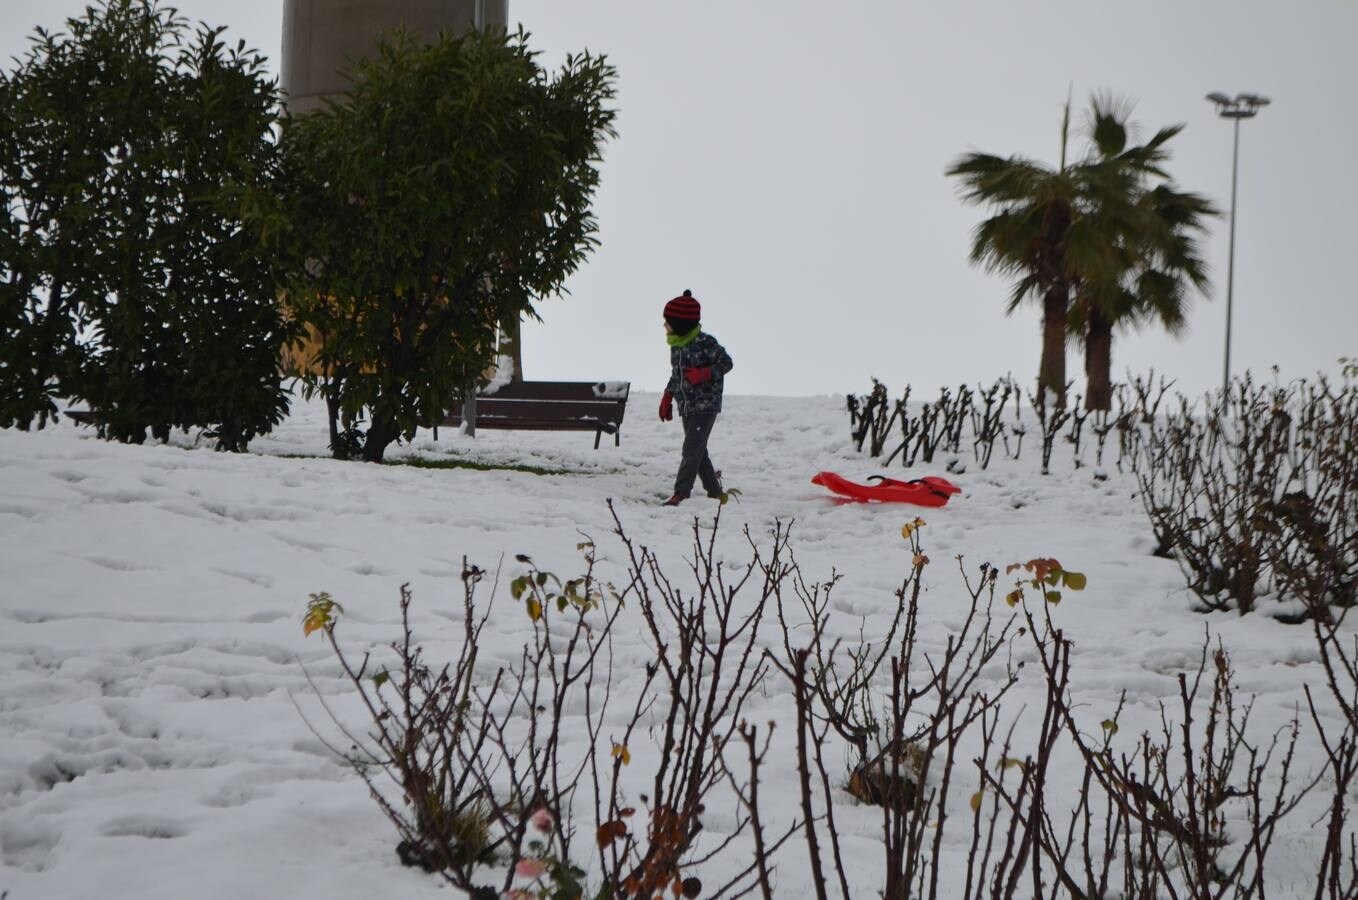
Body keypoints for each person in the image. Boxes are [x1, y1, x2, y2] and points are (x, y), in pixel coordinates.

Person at [658, 289, 733, 506]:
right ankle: (715, 492)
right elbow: (677, 374)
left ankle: (681, 493)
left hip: (706, 405)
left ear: (680, 324)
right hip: (687, 405)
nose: (664, 326)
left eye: (668, 322)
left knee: (691, 449)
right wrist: (667, 396)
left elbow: (726, 362)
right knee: (698, 451)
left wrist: (705, 374)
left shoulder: (706, 342)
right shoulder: (677, 346)